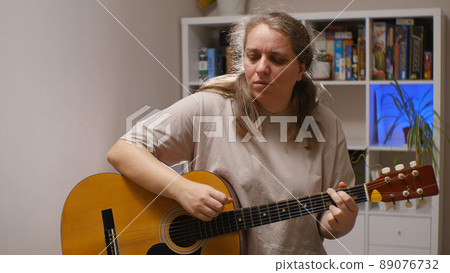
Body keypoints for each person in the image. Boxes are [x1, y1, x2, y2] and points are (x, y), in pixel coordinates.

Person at [107, 12, 358, 255]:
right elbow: (123, 151)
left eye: (277, 59)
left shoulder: (325, 123)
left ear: (301, 67)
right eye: (253, 56)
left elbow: (330, 222)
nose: (261, 68)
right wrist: (181, 189)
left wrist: (340, 222)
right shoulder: (208, 105)